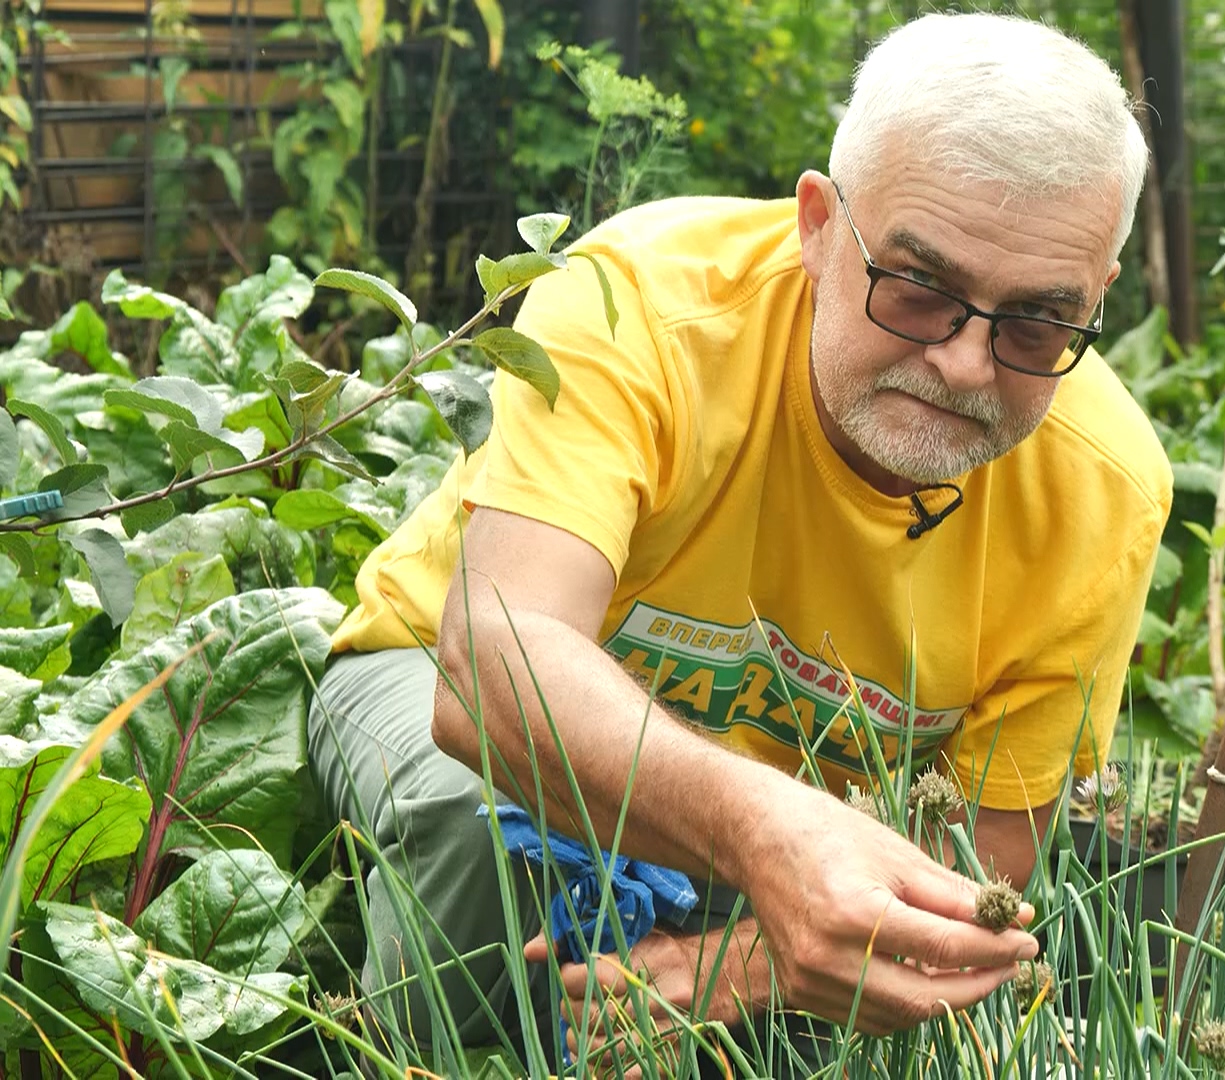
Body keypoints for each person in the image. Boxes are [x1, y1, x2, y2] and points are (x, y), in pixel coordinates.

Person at [306, 8, 1171, 1062]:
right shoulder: (645, 302)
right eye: (920, 288)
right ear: (816, 224)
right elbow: (497, 669)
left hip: (770, 822)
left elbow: (979, 871)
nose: (965, 364)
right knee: (498, 843)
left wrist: (735, 970)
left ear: (1097, 300)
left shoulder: (1104, 489)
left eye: (1038, 322)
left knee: (848, 991)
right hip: (440, 687)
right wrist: (768, 836)